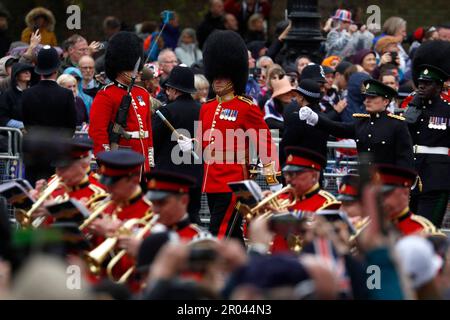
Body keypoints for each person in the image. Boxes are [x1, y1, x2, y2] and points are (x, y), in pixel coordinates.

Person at [185, 30, 279, 240]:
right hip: (211, 181)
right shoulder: (207, 107)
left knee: (219, 233)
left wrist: (273, 180)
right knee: (232, 235)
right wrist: (191, 145)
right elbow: (204, 143)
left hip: (235, 183)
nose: (217, 81)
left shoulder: (246, 107)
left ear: (233, 76)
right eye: (215, 76)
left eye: (223, 76)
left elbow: (264, 143)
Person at [300, 79, 414, 168]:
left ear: (386, 101)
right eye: (366, 97)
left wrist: (401, 186)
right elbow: (338, 128)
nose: (367, 101)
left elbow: (404, 158)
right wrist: (315, 119)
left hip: (388, 184)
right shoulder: (362, 122)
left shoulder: (396, 124)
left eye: (373, 97)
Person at [89, 32, 154, 173]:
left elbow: (147, 130)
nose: (136, 72)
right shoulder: (106, 95)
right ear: (119, 67)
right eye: (131, 68)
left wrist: (149, 161)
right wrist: (106, 159)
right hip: (121, 160)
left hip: (142, 161)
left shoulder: (142, 93)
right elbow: (98, 132)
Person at [152, 66, 203, 224]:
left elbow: (153, 141)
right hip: (195, 175)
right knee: (192, 217)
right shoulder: (203, 110)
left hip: (169, 177)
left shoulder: (166, 112)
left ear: (173, 90)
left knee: (168, 219)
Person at [404, 61, 450, 227]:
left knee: (428, 227)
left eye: (427, 83)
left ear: (438, 87)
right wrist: (412, 108)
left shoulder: (447, 110)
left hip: (436, 176)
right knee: (408, 226)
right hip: (412, 174)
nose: (421, 87)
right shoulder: (414, 107)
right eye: (420, 83)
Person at [270, 147, 340, 253]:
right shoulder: (281, 198)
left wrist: (287, 220)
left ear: (314, 175)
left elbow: (319, 244)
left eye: (294, 174)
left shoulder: (327, 204)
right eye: (287, 174)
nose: (288, 179)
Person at [30, 137, 106, 225]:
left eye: (65, 168)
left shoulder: (100, 190)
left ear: (84, 165)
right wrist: (33, 203)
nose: (58, 172)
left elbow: (95, 230)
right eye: (57, 167)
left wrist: (56, 210)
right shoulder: (52, 183)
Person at [22, 45, 76, 136]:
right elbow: (71, 126)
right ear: (56, 69)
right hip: (59, 145)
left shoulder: (27, 93)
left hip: (35, 145)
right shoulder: (67, 94)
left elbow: (27, 124)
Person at [376, 164, 442, 236]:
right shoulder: (365, 229)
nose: (382, 201)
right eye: (378, 195)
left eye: (387, 194)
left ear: (405, 193)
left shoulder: (423, 230)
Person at [280, 79, 329, 163]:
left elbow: (285, 145)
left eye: (297, 95)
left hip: (299, 169)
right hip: (317, 169)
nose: (296, 98)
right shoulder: (324, 118)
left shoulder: (297, 118)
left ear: (301, 97)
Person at [0, 63, 35, 130]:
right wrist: (22, 125)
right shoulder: (8, 94)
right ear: (16, 75)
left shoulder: (34, 92)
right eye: (23, 71)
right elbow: (2, 118)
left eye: (29, 71)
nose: (28, 73)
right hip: (16, 135)